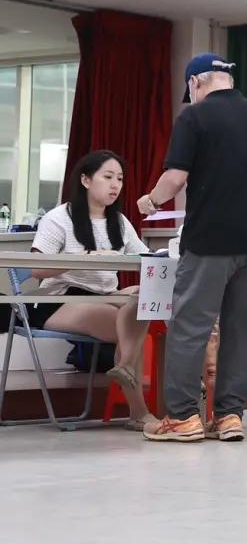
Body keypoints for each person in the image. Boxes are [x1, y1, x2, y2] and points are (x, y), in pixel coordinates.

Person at [137, 53, 247, 443]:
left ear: (195, 83)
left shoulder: (194, 117)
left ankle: (183, 417)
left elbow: (176, 177)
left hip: (211, 241)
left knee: (190, 328)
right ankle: (230, 416)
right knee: (241, 329)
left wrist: (150, 201)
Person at [28, 150, 154, 429]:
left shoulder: (119, 222)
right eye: (107, 177)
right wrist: (83, 258)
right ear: (86, 180)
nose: (115, 185)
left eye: (120, 179)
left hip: (105, 296)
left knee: (145, 297)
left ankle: (125, 368)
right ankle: (139, 413)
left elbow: (146, 261)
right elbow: (37, 269)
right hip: (60, 299)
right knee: (127, 324)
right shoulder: (59, 217)